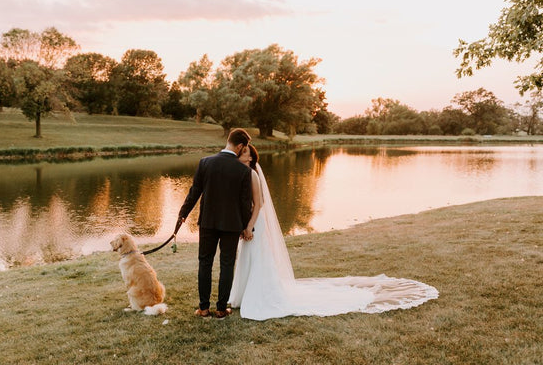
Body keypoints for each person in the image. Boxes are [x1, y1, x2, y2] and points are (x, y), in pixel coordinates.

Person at [229, 144, 439, 321]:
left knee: (258, 258)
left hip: (255, 224)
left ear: (249, 157)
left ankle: (261, 295)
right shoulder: (241, 174)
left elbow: (260, 204)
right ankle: (243, 294)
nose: (243, 154)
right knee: (248, 257)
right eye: (243, 151)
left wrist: (249, 226)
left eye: (246, 152)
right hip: (248, 223)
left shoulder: (252, 174)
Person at [179, 128, 253, 319]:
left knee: (205, 262)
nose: (243, 151)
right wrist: (246, 226)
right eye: (243, 148)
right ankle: (221, 309)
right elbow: (245, 204)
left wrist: (183, 214)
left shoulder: (205, 163)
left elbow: (194, 192)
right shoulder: (243, 170)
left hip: (208, 222)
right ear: (239, 146)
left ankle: (203, 308)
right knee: (227, 264)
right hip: (232, 224)